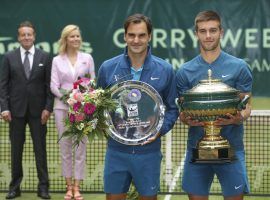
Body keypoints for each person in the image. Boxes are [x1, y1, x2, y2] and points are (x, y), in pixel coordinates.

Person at [97, 13, 179, 200]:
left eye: (141, 35)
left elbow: (173, 109)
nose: (136, 40)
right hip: (116, 151)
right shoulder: (108, 68)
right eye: (131, 35)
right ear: (124, 36)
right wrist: (105, 126)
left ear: (149, 36)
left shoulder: (165, 69)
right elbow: (99, 106)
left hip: (148, 153)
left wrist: (158, 131)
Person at [176, 10, 253, 200]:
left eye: (213, 30)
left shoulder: (239, 67)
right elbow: (183, 112)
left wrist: (240, 117)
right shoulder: (184, 71)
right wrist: (186, 120)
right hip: (197, 149)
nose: (208, 36)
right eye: (203, 31)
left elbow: (247, 105)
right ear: (196, 34)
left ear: (221, 32)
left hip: (232, 148)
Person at [0, 21, 53, 199]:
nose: (26, 37)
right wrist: (4, 108)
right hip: (15, 113)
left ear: (34, 36)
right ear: (18, 37)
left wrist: (48, 108)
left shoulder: (45, 57)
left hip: (39, 114)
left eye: (29, 34)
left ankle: (43, 187)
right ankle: (15, 187)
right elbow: (3, 86)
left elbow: (49, 86)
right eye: (23, 34)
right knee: (16, 151)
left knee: (40, 150)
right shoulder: (8, 57)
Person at [50, 24, 95, 200]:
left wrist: (83, 97)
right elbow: (54, 85)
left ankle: (77, 187)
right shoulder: (56, 60)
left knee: (80, 147)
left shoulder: (87, 58)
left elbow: (92, 81)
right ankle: (68, 187)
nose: (75, 39)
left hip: (82, 109)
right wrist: (69, 97)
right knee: (65, 148)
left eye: (77, 36)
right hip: (61, 108)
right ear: (65, 39)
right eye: (72, 36)